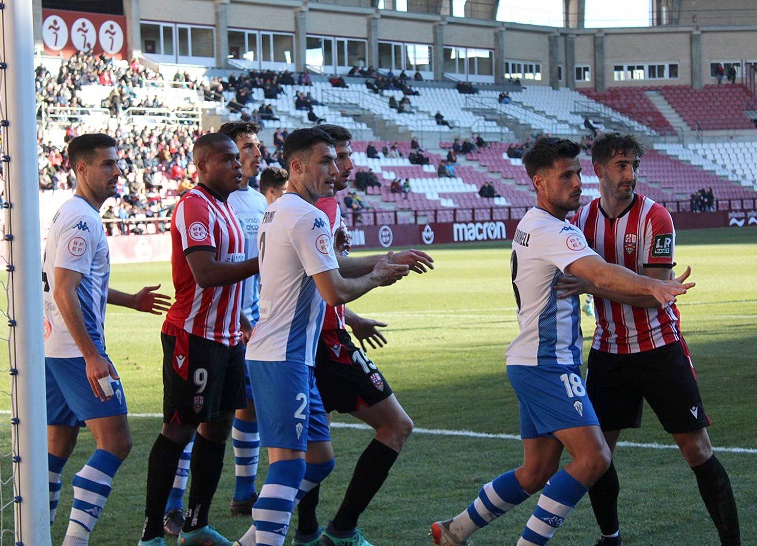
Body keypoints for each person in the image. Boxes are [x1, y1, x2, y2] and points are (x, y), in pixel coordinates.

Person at [430, 137, 695, 546]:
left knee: (536, 471)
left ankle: (454, 530)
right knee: (594, 458)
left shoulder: (537, 225)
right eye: (565, 175)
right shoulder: (551, 230)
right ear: (539, 182)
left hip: (532, 361)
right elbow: (601, 273)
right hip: (546, 364)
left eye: (578, 173)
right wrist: (654, 286)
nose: (577, 182)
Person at [231, 128, 410, 546]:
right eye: (325, 162)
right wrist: (378, 277)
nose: (336, 170)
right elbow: (335, 291)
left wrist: (380, 260)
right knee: (290, 468)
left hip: (288, 356)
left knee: (319, 461)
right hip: (283, 356)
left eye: (336, 160)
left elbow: (326, 269)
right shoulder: (308, 216)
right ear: (297, 166)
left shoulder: (280, 209)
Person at [565, 132, 740, 546]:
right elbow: (635, 286)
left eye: (634, 167)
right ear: (599, 170)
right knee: (597, 456)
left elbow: (654, 293)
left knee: (697, 450)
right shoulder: (580, 221)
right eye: (622, 166)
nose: (630, 175)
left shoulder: (656, 217)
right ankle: (611, 538)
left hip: (659, 346)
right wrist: (609, 285)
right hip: (608, 352)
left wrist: (589, 286)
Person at [292, 124, 433, 545]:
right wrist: (379, 269)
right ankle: (339, 527)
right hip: (323, 342)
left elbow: (318, 274)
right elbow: (326, 275)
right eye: (337, 157)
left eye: (347, 156)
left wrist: (350, 315)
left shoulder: (313, 205)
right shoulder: (315, 210)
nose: (347, 165)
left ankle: (308, 529)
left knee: (312, 449)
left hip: (317, 336)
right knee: (395, 426)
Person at [43, 133, 171, 546]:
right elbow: (64, 290)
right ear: (82, 169)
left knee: (56, 448)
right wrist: (91, 355)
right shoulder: (82, 219)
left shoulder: (73, 212)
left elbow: (81, 283)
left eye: (118, 163)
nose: (118, 171)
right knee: (116, 441)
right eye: (107, 164)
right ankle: (73, 543)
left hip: (52, 348)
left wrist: (129, 300)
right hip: (74, 351)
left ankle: (36, 535)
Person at [138, 133, 259, 546]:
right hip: (194, 337)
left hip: (227, 338)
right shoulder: (194, 205)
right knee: (179, 432)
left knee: (218, 429)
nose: (236, 166)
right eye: (227, 159)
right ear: (203, 166)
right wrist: (266, 259)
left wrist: (239, 316)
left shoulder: (225, 208)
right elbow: (205, 273)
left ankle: (195, 525)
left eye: (236, 159)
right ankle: (152, 533)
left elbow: (222, 275)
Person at [221, 121, 267, 517]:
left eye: (257, 145)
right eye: (247, 146)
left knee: (247, 405)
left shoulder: (259, 202)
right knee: (199, 416)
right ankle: (170, 506)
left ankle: (243, 492)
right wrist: (236, 314)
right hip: (223, 322)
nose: (256, 153)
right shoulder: (217, 203)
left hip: (255, 321)